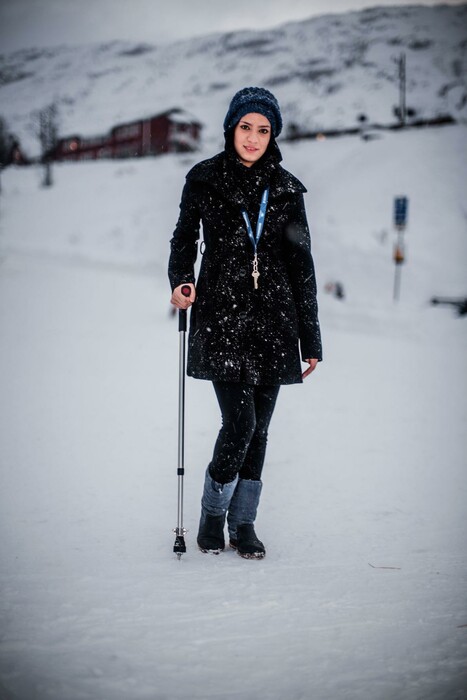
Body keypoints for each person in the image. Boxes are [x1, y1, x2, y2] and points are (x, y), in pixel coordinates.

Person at [168, 87, 322, 559]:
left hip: (275, 320)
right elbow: (182, 239)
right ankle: (213, 514)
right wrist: (181, 280)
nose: (253, 138)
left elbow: (303, 266)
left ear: (272, 134)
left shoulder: (288, 188)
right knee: (240, 421)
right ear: (231, 128)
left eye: (263, 129)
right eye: (245, 127)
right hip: (221, 315)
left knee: (261, 428)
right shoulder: (204, 179)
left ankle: (244, 523)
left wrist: (311, 338)